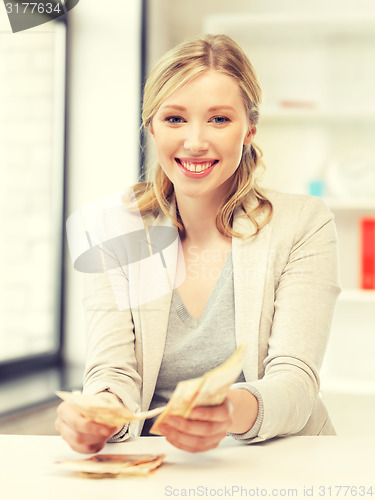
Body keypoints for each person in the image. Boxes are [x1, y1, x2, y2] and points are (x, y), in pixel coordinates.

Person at [55, 34, 340, 454]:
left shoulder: (303, 224)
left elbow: (295, 379)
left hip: (275, 461)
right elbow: (113, 371)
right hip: (154, 464)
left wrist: (228, 411)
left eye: (219, 119)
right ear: (151, 126)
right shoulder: (113, 229)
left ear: (249, 129)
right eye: (174, 119)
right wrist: (97, 412)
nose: (194, 141)